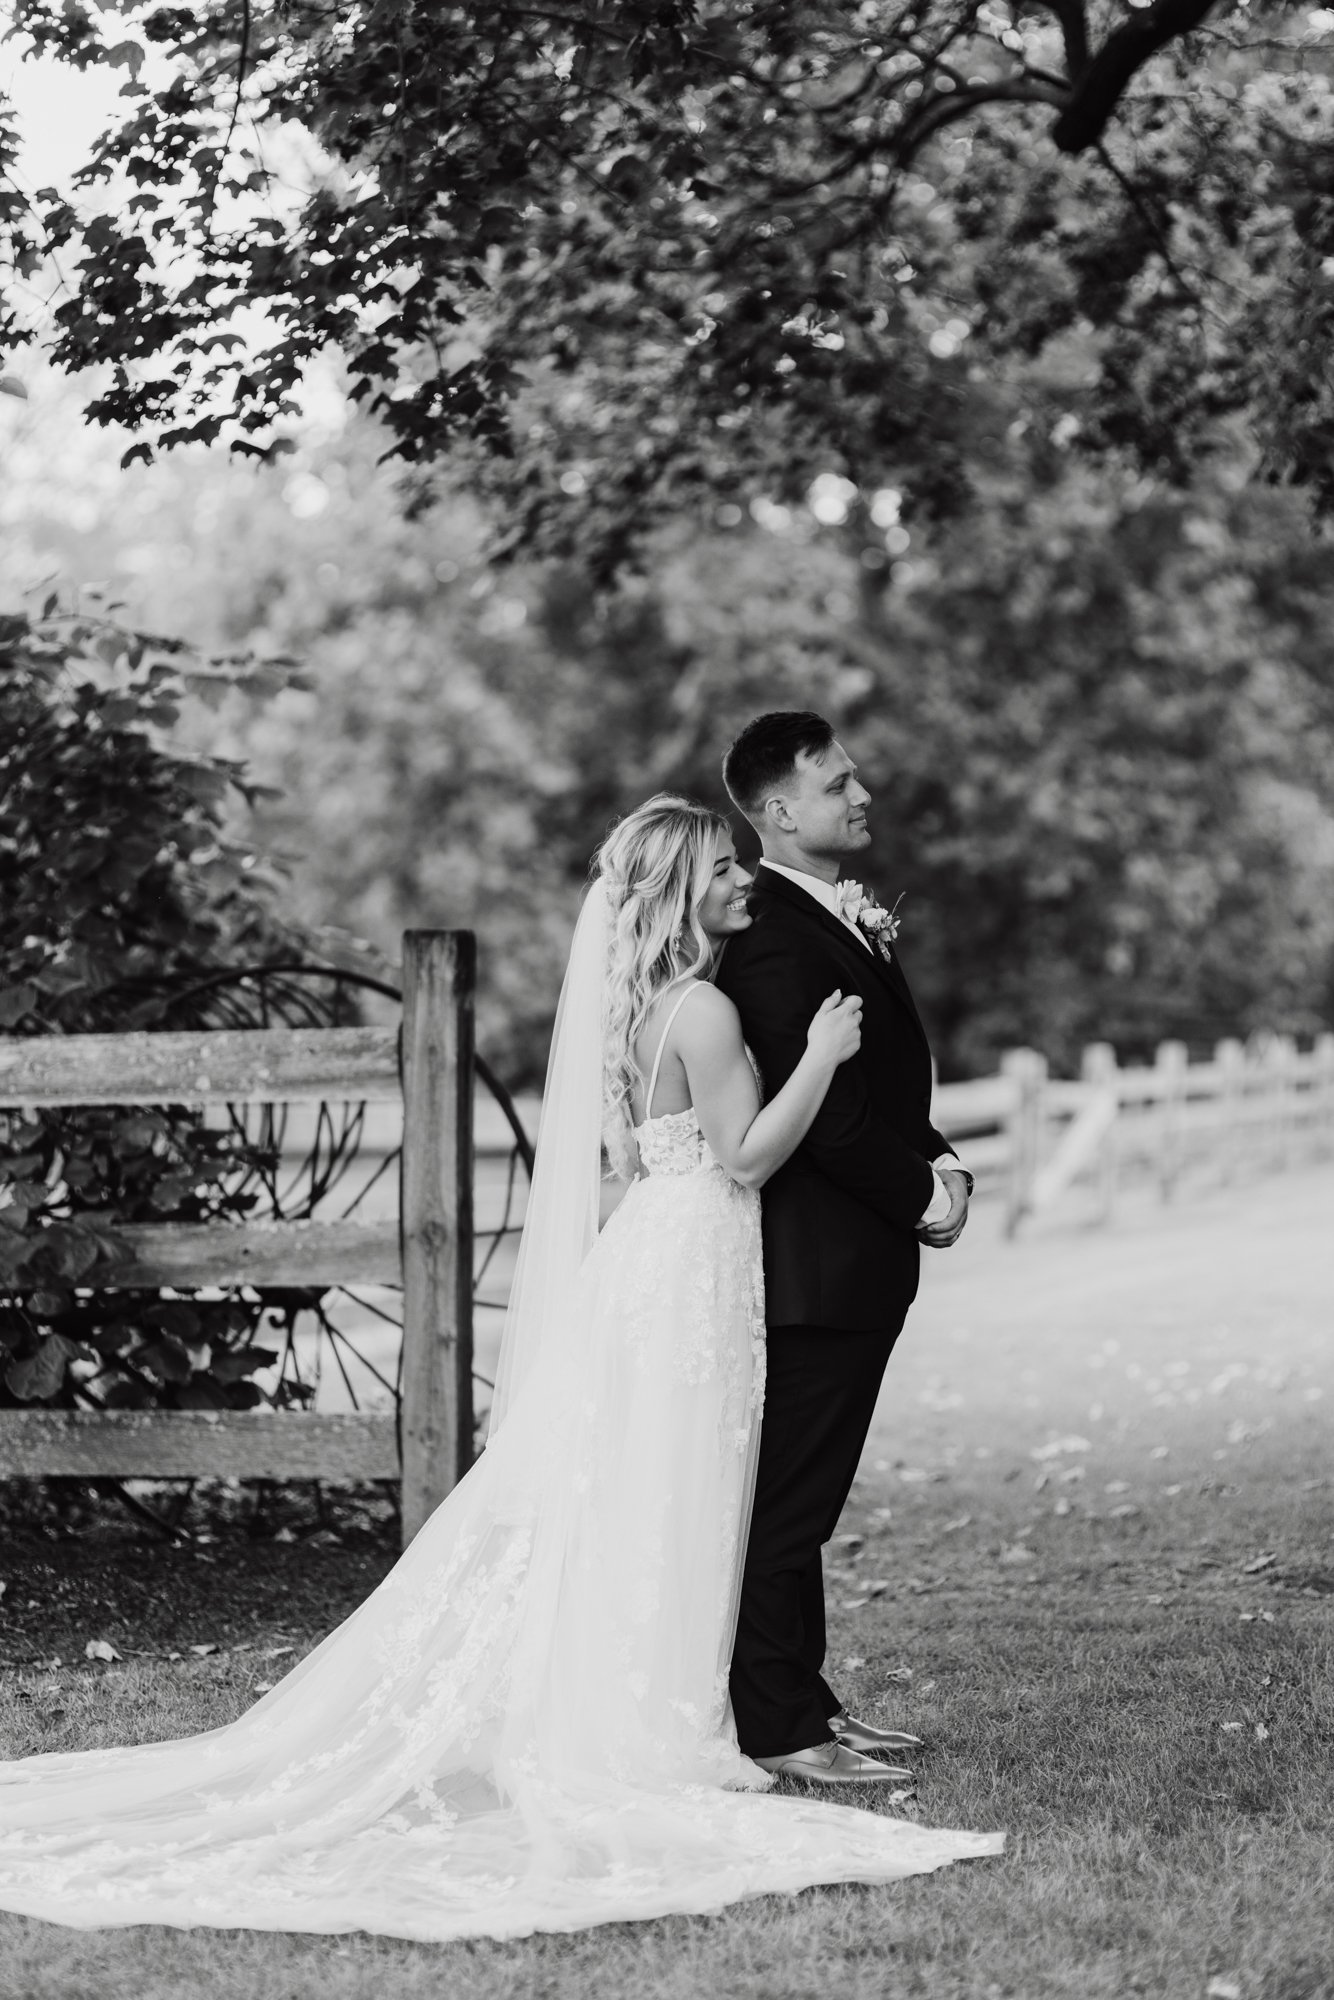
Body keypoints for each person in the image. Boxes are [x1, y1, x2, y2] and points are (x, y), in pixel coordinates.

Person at [0, 796, 1000, 1945]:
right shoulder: (706, 1008)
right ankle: (666, 1710)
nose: (744, 882)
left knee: (650, 1485)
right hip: (694, 1261)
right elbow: (746, 1154)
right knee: (683, 1482)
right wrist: (819, 1057)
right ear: (681, 891)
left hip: (655, 1255)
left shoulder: (643, 1005)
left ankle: (676, 1689)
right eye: (724, 870)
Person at [716, 713, 972, 1780]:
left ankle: (806, 1698)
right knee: (786, 1503)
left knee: (806, 1501)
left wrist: (942, 1158)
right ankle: (778, 1727)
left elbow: (881, 1084)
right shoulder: (772, 933)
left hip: (851, 1264)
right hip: (814, 1271)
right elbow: (823, 1116)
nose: (861, 795)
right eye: (837, 783)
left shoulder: (832, 914)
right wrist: (923, 1198)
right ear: (778, 810)